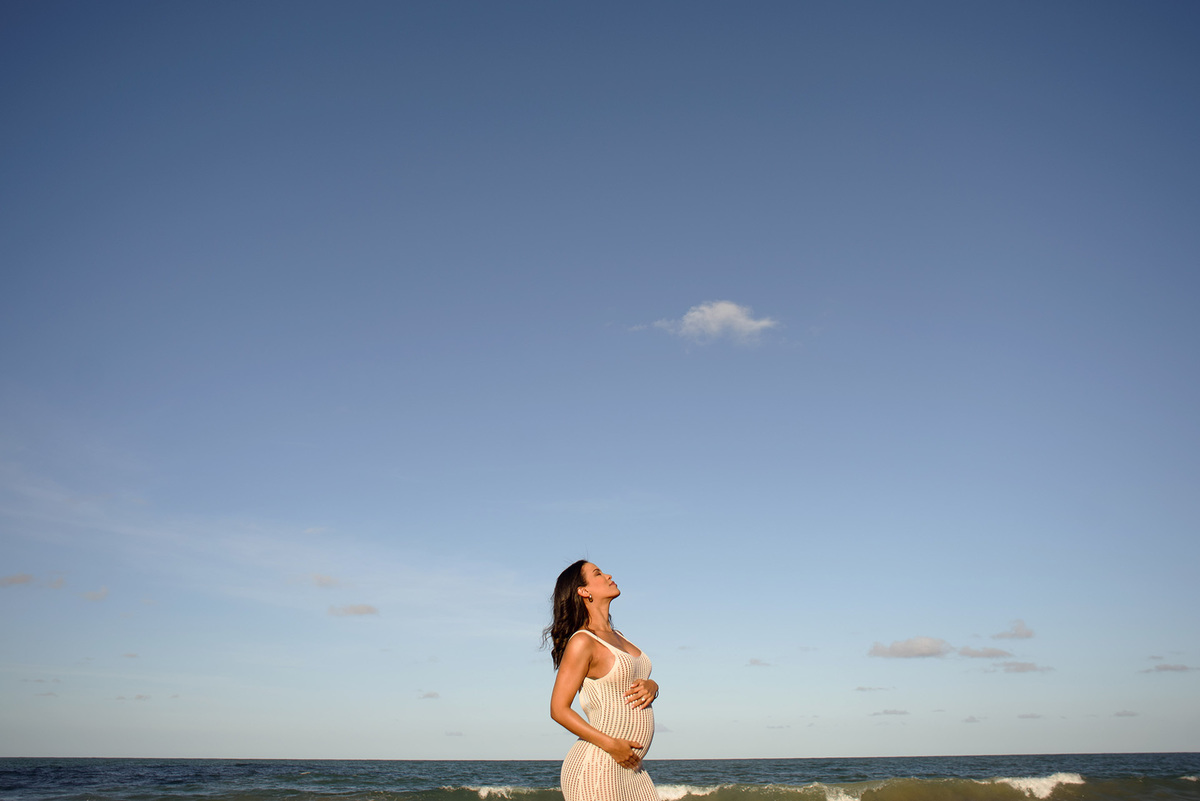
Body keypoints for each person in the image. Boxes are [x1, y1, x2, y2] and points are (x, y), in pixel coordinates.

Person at [545, 560, 660, 801]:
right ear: (583, 591)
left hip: (631, 769)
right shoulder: (583, 642)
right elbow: (558, 709)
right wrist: (611, 745)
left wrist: (653, 686)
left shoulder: (619, 637)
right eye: (597, 573)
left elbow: (631, 681)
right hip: (598, 766)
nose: (608, 575)